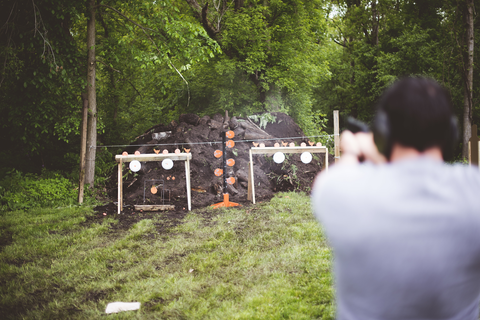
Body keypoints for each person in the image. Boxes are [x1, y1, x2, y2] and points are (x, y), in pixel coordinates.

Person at [311, 77, 480, 320]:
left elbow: (331, 179)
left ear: (384, 131)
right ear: (450, 133)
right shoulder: (473, 190)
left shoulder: (342, 192)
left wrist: (353, 151)